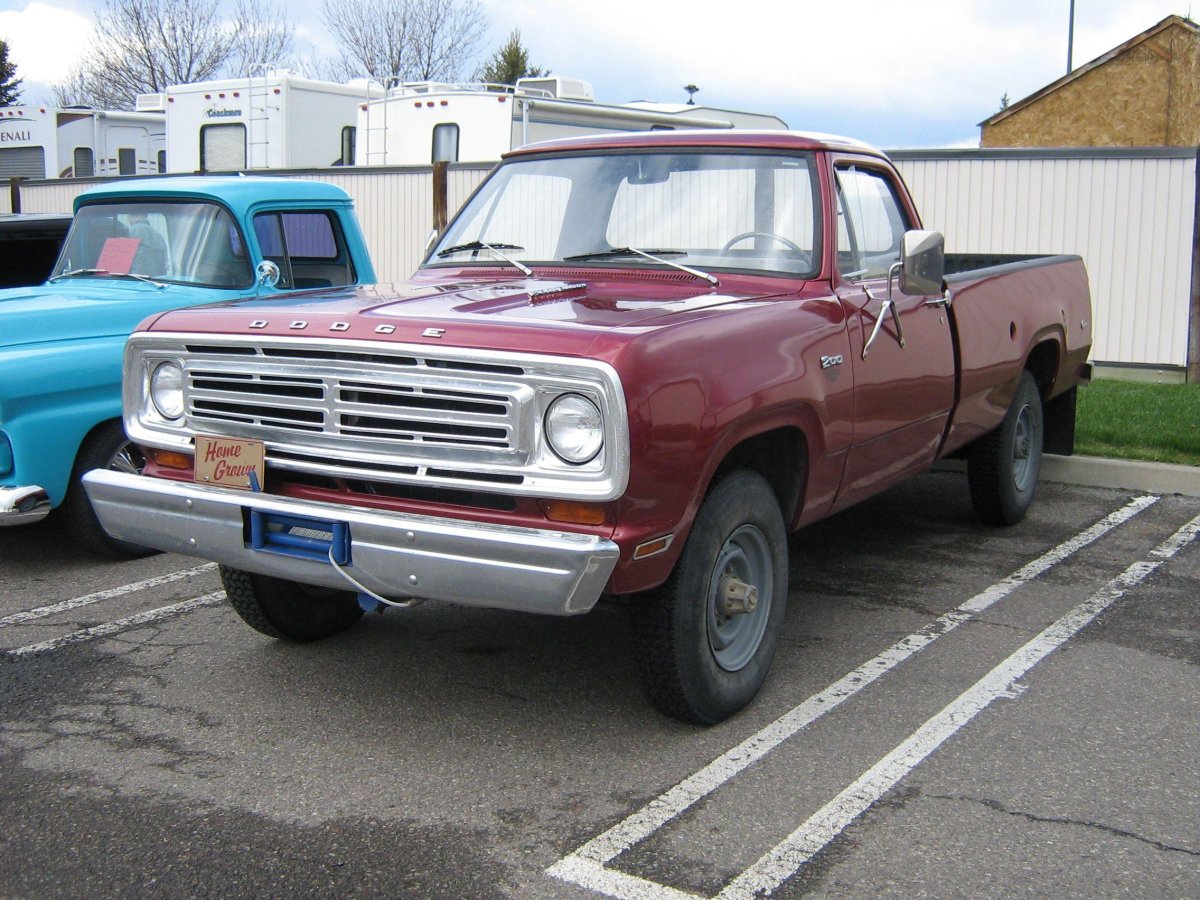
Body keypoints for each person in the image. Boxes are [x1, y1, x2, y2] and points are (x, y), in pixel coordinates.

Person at [128, 211, 168, 276]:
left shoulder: (130, 232)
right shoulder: (160, 237)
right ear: (146, 216)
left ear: (129, 216)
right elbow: (164, 267)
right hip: (156, 283)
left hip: (133, 283)